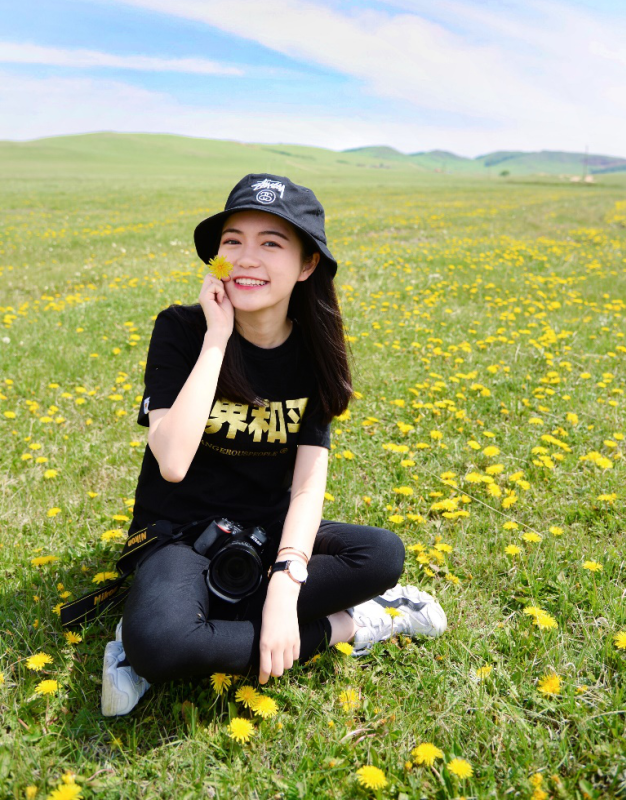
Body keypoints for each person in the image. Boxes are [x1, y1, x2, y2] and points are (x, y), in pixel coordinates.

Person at [101, 173, 447, 717]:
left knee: (381, 554)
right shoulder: (182, 330)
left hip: (266, 535)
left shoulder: (313, 353)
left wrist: (286, 585)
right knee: (161, 644)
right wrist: (216, 339)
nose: (245, 258)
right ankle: (351, 624)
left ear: (307, 265)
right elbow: (172, 462)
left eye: (270, 243)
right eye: (232, 241)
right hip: (179, 538)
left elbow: (307, 489)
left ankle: (197, 619)